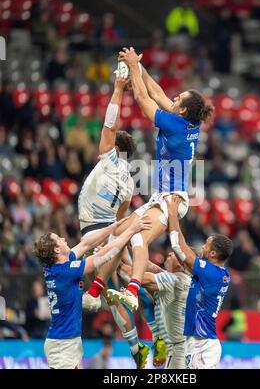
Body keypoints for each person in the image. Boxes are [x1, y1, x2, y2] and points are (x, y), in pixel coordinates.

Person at [107, 47, 213, 313]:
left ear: (183, 109)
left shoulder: (174, 125)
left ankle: (132, 290)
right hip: (162, 197)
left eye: (179, 99)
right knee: (118, 233)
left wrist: (132, 68)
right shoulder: (187, 122)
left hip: (172, 200)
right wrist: (139, 67)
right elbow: (158, 93)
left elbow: (144, 97)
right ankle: (132, 277)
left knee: (138, 238)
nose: (173, 98)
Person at [77, 75, 160, 369]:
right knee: (126, 277)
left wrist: (116, 90)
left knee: (110, 294)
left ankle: (137, 344)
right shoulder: (129, 182)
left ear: (114, 146)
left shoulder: (107, 158)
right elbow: (120, 217)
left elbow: (109, 121)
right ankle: (155, 328)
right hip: (114, 230)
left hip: (94, 230)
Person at [34, 216, 150, 369]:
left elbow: (86, 244)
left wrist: (112, 228)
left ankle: (93, 296)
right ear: (56, 250)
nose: (63, 238)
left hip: (66, 341)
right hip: (62, 345)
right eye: (59, 239)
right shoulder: (66, 271)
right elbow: (103, 256)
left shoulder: (56, 266)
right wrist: (130, 231)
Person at [166, 195, 233, 369]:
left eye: (206, 244)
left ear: (213, 254)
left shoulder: (211, 273)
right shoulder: (216, 274)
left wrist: (172, 214)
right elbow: (186, 252)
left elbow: (179, 249)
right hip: (197, 342)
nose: (203, 247)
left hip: (203, 345)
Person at [119, 251, 191, 369]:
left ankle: (157, 337)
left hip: (177, 349)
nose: (170, 253)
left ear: (180, 265)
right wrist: (130, 244)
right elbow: (147, 265)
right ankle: (157, 337)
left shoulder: (174, 279)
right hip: (181, 346)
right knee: (142, 291)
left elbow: (134, 274)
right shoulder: (180, 278)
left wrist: (112, 258)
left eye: (173, 255)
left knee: (138, 287)